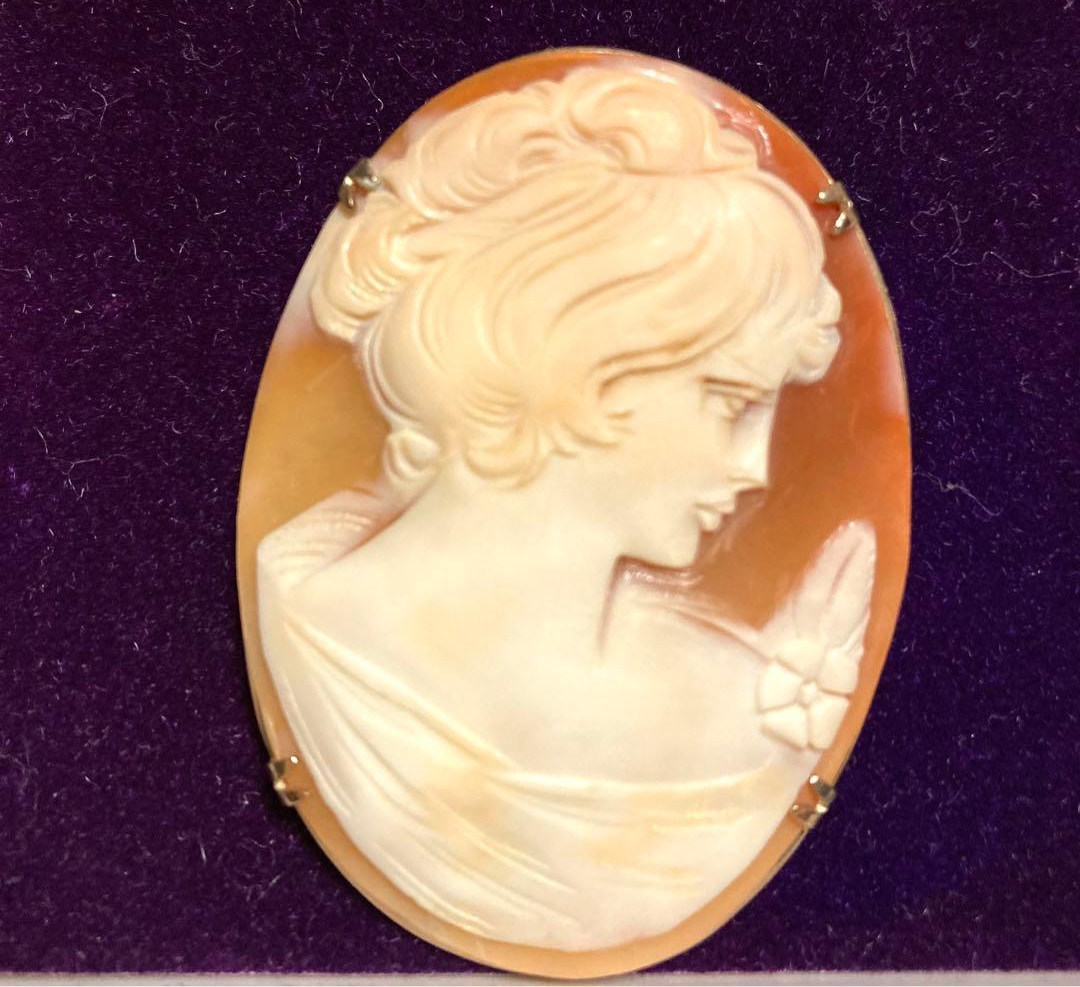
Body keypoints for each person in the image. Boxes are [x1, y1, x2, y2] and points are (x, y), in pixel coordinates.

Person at [257, 66, 875, 951]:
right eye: (730, 402)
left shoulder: (739, 702)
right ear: (570, 361)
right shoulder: (319, 645)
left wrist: (773, 730)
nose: (756, 469)